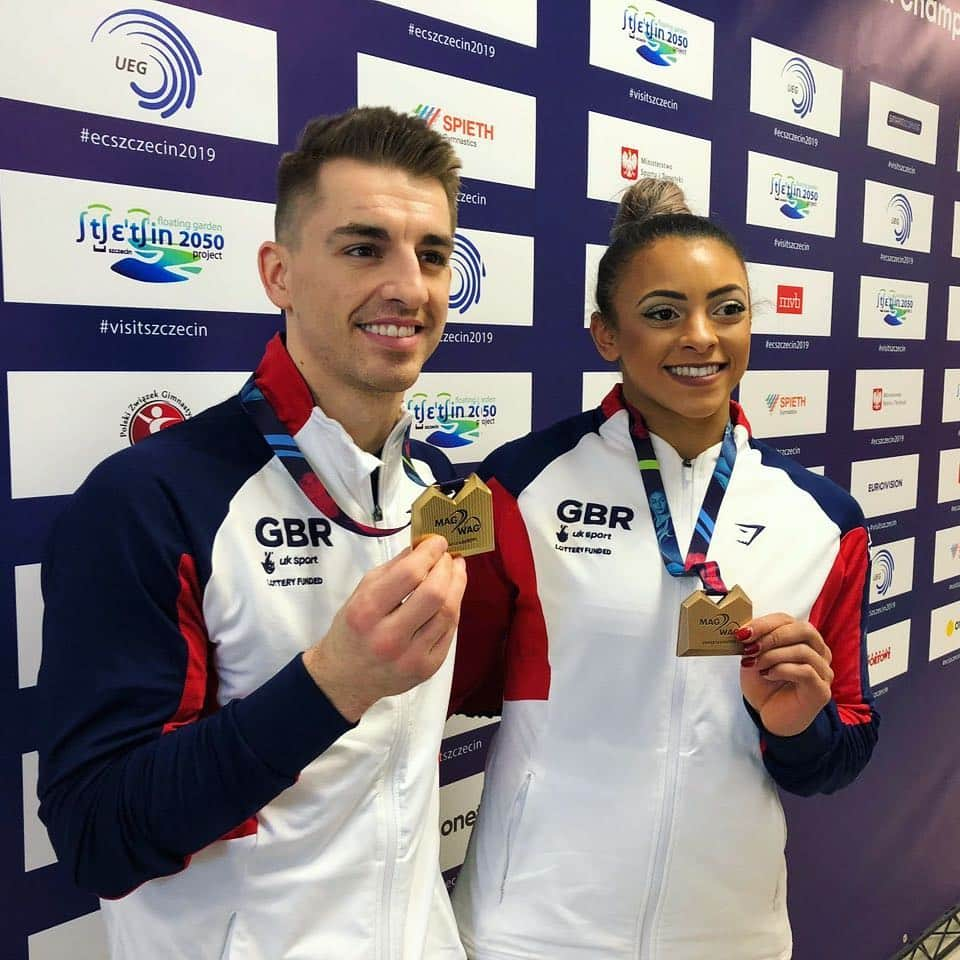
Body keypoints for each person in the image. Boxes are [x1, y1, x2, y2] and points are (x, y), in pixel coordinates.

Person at [37, 106, 470, 960]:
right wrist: (333, 685)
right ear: (279, 273)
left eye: (432, 254)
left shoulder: (434, 498)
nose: (408, 288)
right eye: (362, 247)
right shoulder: (152, 498)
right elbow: (97, 833)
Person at [449, 179, 879, 960]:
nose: (701, 337)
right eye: (662, 313)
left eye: (727, 308)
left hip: (729, 931)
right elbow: (456, 684)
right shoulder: (518, 487)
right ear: (606, 335)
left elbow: (841, 746)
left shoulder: (826, 519)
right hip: (535, 929)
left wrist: (796, 729)